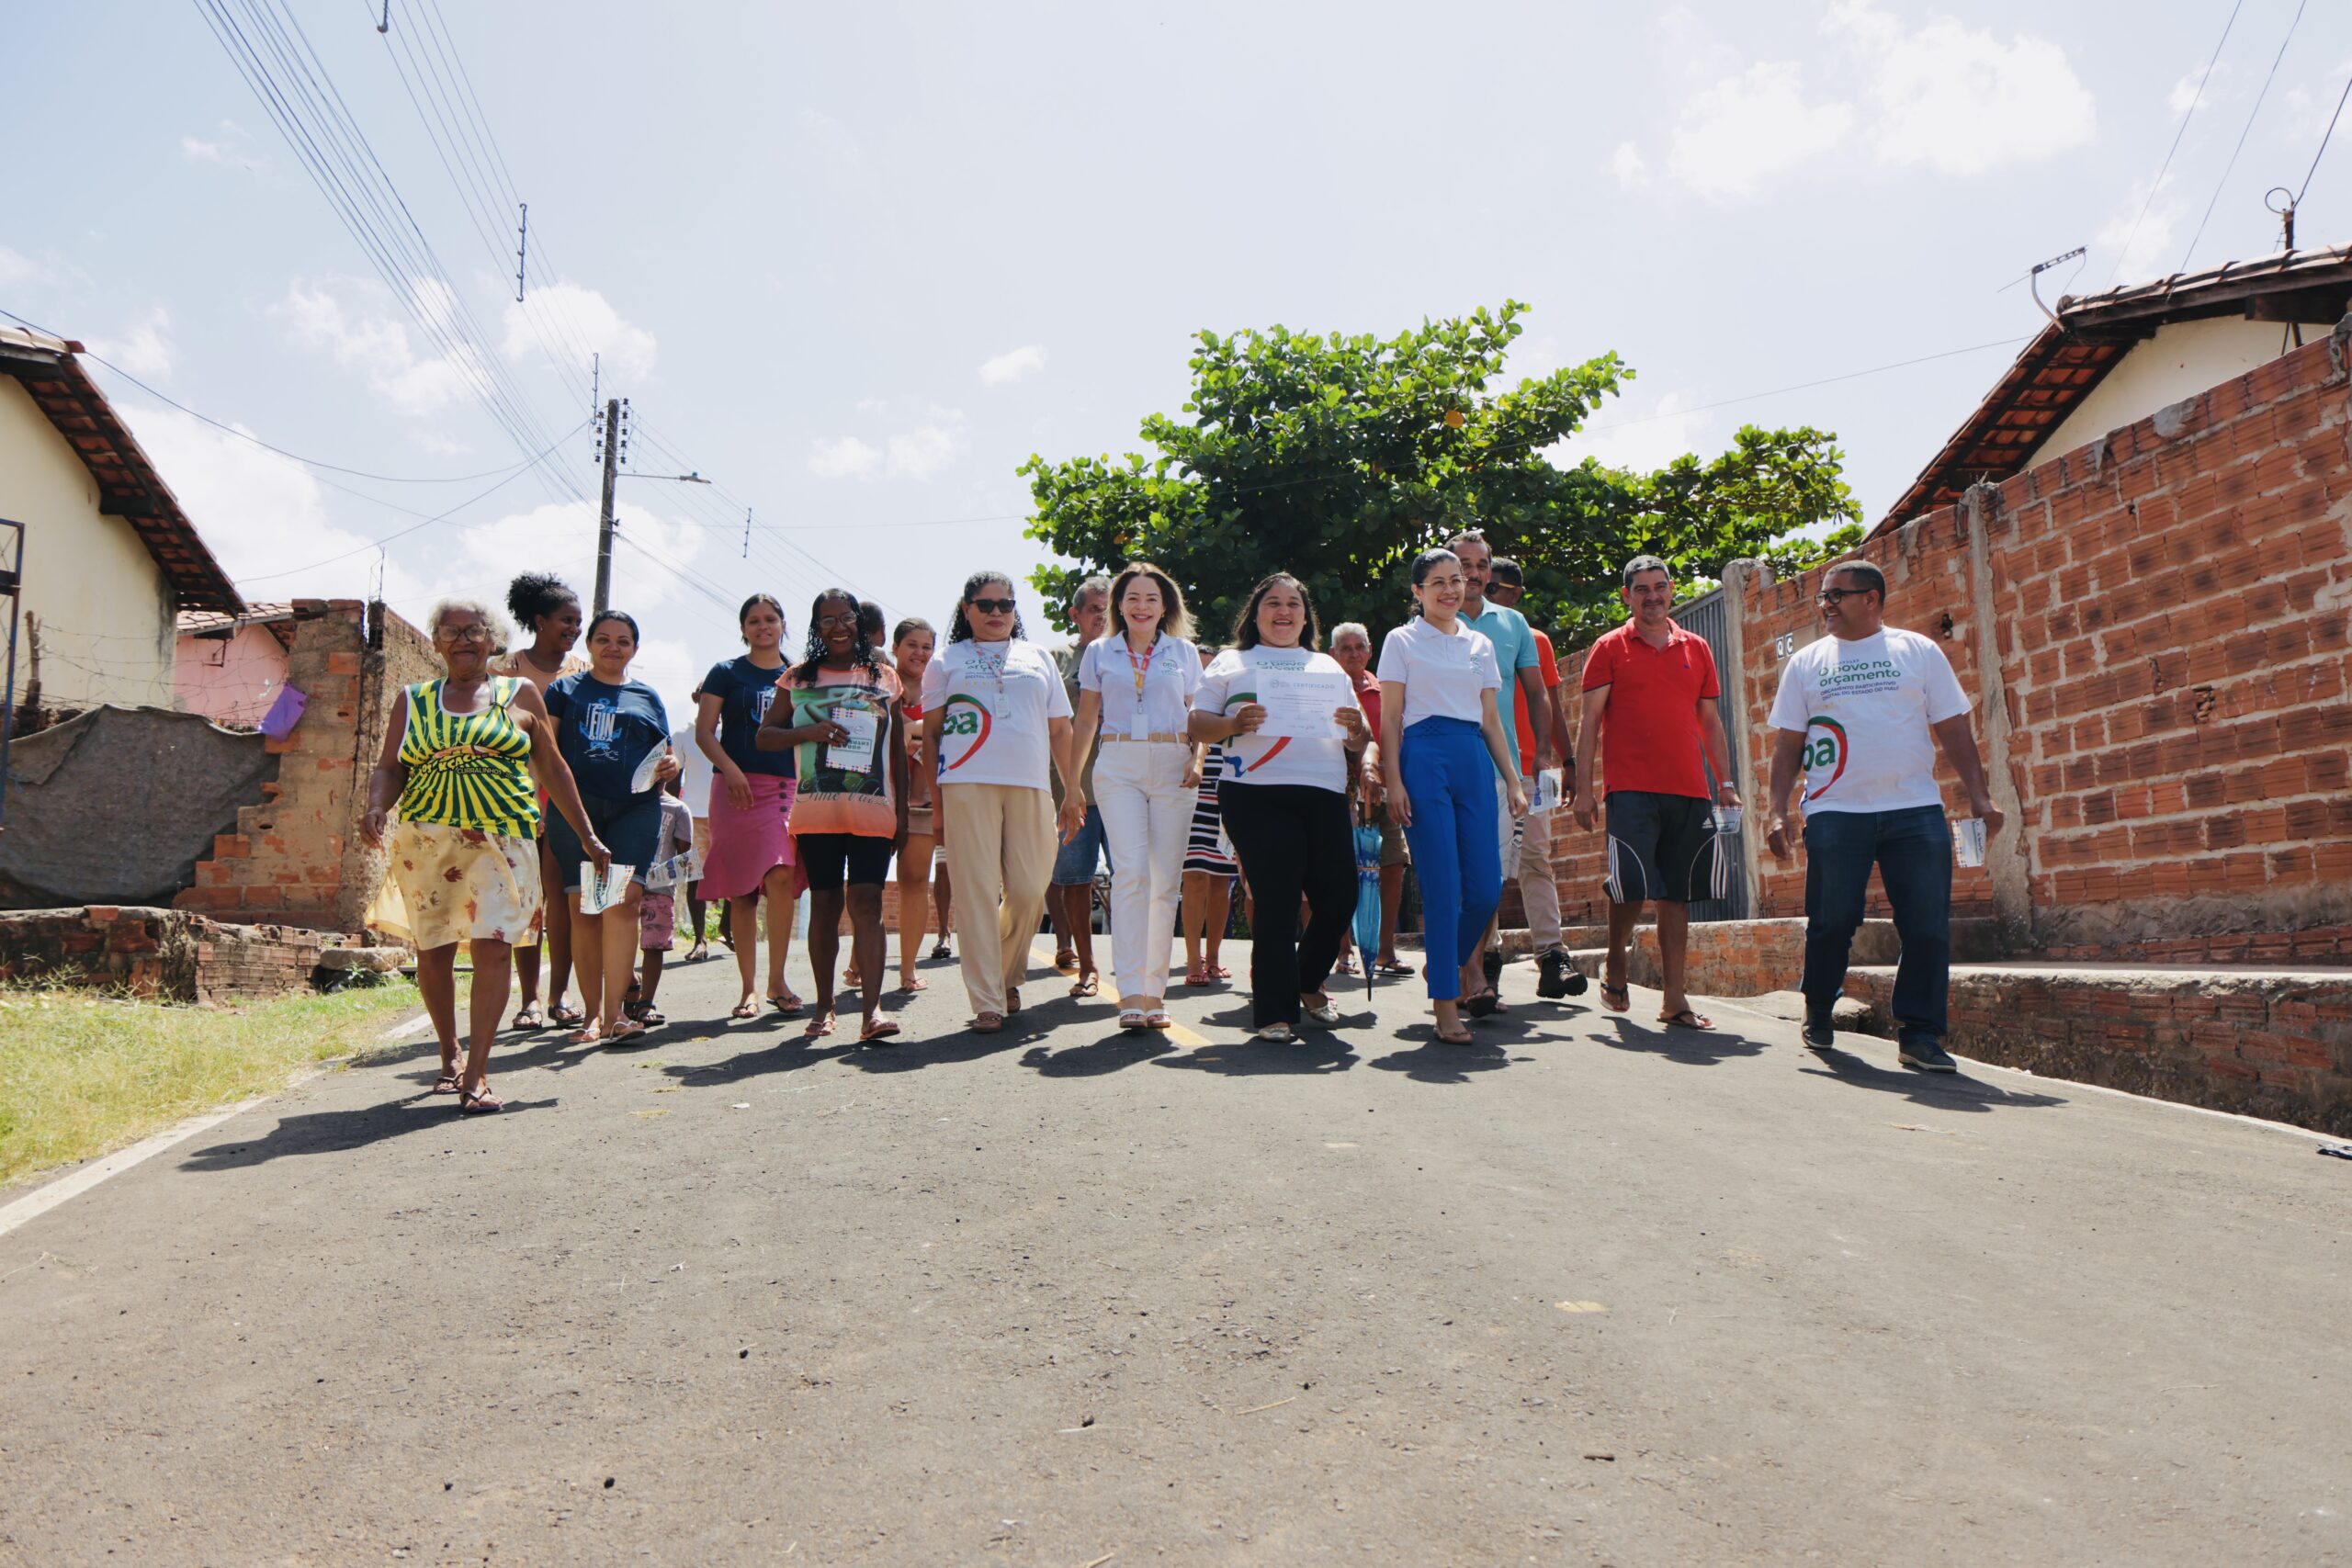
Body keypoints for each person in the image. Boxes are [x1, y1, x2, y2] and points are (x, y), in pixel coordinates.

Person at [362, 598, 606, 1113]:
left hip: (504, 838)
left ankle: (477, 1073)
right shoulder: (413, 700)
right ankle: (448, 1053)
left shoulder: (518, 694)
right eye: (450, 633)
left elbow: (554, 768)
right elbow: (389, 767)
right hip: (429, 841)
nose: (463, 641)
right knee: (434, 950)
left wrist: (587, 834)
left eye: (474, 631)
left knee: (494, 944)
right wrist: (376, 807)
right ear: (436, 643)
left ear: (492, 640)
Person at [1765, 560, 2004, 1073]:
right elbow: (1788, 742)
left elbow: (1953, 727)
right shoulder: (1806, 663)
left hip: (1914, 809)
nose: (1825, 605)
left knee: (1927, 926)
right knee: (1832, 922)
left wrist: (1981, 797)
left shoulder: (1917, 652)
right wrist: (1776, 810)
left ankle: (1919, 1034)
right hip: (1835, 811)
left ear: (1871, 599)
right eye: (1822, 597)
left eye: (1836, 595)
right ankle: (1818, 1008)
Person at [1193, 574, 1371, 1042]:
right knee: (1276, 898)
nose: (1284, 611)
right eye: (1273, 603)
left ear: (1306, 615)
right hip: (1254, 791)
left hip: (1324, 790)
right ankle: (1275, 1012)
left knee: (1339, 897)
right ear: (1256, 614)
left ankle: (1306, 980)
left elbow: (1358, 737)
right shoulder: (1233, 661)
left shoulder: (1328, 667)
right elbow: (1197, 722)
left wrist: (1357, 730)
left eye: (1294, 603)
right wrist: (1232, 721)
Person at [1571, 555, 1741, 1031]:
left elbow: (1709, 721)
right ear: (1627, 596)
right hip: (1629, 789)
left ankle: (1674, 999)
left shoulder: (1697, 647)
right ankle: (1617, 961)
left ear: (1671, 591)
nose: (1652, 596)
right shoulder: (1608, 648)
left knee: (1677, 895)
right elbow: (1588, 726)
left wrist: (1724, 784)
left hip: (1689, 789)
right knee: (1630, 884)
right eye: (1641, 589)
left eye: (1660, 587)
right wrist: (1584, 791)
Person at [1378, 547, 1528, 1044]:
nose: (1450, 589)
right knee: (1442, 887)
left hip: (1471, 759)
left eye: (1457, 579)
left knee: (1485, 888)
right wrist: (1394, 781)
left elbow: (1490, 720)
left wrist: (1512, 780)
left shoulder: (1480, 644)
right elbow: (1390, 719)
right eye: (1438, 582)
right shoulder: (1401, 640)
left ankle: (1441, 966)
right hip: (1423, 757)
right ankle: (1447, 1005)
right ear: (1417, 592)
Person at [921, 572, 1079, 1031]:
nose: (995, 613)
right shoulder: (947, 660)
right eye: (985, 605)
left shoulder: (1038, 657)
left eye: (1005, 605)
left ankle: (1007, 972)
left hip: (1031, 785)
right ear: (966, 609)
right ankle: (987, 999)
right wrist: (937, 802)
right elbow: (931, 735)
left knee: (1031, 890)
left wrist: (1073, 788)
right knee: (975, 894)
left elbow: (1061, 729)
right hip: (966, 782)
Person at [759, 590, 908, 1043]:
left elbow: (897, 748)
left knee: (867, 904)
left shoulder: (884, 676)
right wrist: (809, 731)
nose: (838, 627)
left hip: (873, 809)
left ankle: (873, 1011)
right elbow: (765, 737)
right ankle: (824, 1007)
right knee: (824, 905)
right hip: (817, 810)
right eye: (827, 621)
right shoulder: (797, 678)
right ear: (815, 627)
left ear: (860, 625)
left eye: (846, 619)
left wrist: (900, 811)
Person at [1069, 563, 1203, 1030]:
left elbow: (1197, 714)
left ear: (1164, 605)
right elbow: (1086, 720)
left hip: (1173, 764)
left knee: (1164, 882)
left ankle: (1154, 992)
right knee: (1129, 874)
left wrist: (1198, 757)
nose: (1142, 606)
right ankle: (1129, 993)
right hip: (1118, 764)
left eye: (1151, 598)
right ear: (1118, 606)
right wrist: (1071, 785)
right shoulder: (1099, 653)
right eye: (1132, 598)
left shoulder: (1184, 652)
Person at [542, 610, 680, 1044]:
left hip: (635, 809)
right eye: (603, 638)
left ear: (634, 649)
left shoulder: (648, 696)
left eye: (623, 641)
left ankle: (616, 1014)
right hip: (575, 811)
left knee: (623, 902)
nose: (613, 647)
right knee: (585, 906)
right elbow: (545, 753)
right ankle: (591, 1015)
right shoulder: (563, 690)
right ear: (589, 645)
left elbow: (665, 753)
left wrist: (672, 765)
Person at [1447, 529, 1558, 1009]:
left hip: (1502, 770)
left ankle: (1475, 973)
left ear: (1489, 572)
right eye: (1461, 564)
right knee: (1456, 873)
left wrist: (1543, 757)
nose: (1471, 574)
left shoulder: (1513, 624)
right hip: (1445, 767)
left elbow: (1538, 693)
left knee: (1491, 874)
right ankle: (1467, 973)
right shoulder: (1425, 626)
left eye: (1479, 565)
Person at [490, 572, 589, 1031]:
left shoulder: (585, 671)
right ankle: (528, 1000)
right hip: (514, 797)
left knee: (563, 897)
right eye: (565, 621)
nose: (573, 630)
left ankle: (559, 994)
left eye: (578, 623)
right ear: (539, 620)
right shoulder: (502, 670)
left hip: (568, 795)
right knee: (527, 901)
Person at [1484, 557, 1586, 1000]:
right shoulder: (1456, 633)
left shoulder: (1532, 637)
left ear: (1514, 593)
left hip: (1530, 770)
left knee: (1536, 860)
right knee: (1483, 864)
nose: (1484, 594)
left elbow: (1551, 703)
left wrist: (1568, 763)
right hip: (1481, 767)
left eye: (1494, 588)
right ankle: (1484, 958)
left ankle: (1551, 957)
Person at [697, 593, 803, 1021]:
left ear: (782, 624)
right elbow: (706, 732)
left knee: (781, 874)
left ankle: (778, 980)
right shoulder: (725, 673)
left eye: (771, 619)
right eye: (754, 620)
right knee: (740, 891)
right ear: (743, 628)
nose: (763, 626)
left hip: (783, 789)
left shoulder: (798, 676)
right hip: (733, 789)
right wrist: (731, 770)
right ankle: (748, 988)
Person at [1329, 621, 1412, 979]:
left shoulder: (1386, 688)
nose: (1352, 653)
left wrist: (1391, 780)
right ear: (1333, 654)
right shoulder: (1325, 686)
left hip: (1384, 787)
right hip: (1339, 789)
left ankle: (1384, 951)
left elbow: (1397, 734)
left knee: (1393, 864)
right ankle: (1343, 950)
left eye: (1358, 646)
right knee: (1341, 869)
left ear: (1370, 650)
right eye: (1344, 648)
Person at [1047, 576, 1112, 995]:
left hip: (1125, 783)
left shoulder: (1130, 653)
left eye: (1109, 608)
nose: (1102, 616)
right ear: (1075, 615)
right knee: (1072, 876)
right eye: (1093, 609)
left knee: (1133, 878)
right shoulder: (1055, 657)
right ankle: (1085, 965)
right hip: (1072, 786)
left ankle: (1134, 966)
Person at [890, 616, 950, 991]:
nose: (920, 653)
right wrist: (915, 731)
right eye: (912, 644)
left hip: (924, 800)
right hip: (878, 795)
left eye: (927, 646)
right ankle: (856, 961)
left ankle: (908, 968)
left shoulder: (939, 689)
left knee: (914, 882)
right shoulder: (879, 683)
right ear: (896, 647)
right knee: (866, 884)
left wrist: (910, 731)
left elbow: (941, 735)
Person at [1182, 645, 1238, 987]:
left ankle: (1214, 959)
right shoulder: (1191, 700)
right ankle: (1192, 961)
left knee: (1221, 882)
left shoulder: (1231, 698)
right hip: (1192, 795)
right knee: (1195, 877)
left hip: (1231, 794)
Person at [628, 776, 696, 1025]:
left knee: (654, 946)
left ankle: (646, 1002)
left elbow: (684, 855)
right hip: (626, 883)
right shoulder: (625, 803)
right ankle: (630, 983)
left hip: (659, 888)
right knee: (618, 939)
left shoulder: (678, 809)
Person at [671, 692, 715, 963]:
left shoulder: (732, 733)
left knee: (737, 875)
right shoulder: (683, 735)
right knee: (694, 879)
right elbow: (674, 780)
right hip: (693, 815)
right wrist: (674, 819)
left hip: (729, 813)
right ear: (696, 698)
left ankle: (727, 925)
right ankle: (700, 939)